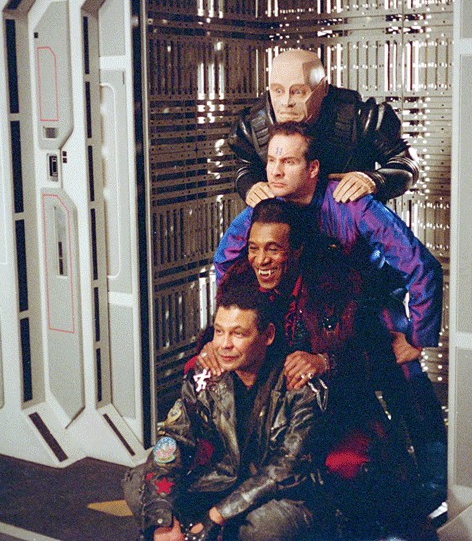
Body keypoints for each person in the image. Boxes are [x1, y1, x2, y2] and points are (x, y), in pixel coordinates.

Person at [213, 122, 447, 519]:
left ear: (313, 168)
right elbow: (226, 264)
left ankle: (433, 486)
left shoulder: (352, 204)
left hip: (370, 307)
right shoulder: (265, 207)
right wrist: (247, 322)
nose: (276, 171)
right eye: (271, 161)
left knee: (406, 384)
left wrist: (417, 337)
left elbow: (421, 266)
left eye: (288, 162)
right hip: (308, 316)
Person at [122, 276, 327, 541]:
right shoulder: (207, 374)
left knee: (264, 527)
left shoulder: (297, 382)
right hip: (223, 482)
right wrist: (162, 518)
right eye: (219, 331)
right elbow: (173, 439)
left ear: (268, 335)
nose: (224, 344)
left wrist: (217, 515)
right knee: (138, 481)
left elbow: (286, 467)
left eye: (238, 333)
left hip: (281, 493)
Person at [228, 48, 420, 207]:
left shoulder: (363, 118)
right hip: (286, 228)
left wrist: (375, 180)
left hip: (349, 223)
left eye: (298, 92)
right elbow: (245, 166)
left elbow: (406, 164)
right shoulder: (251, 125)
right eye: (278, 91)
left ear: (323, 88)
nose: (286, 102)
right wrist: (252, 187)